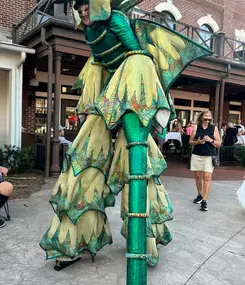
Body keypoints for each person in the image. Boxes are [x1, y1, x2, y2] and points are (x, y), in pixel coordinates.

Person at [39, 0, 212, 272]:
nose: (83, 11)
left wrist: (128, 104)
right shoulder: (89, 31)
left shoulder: (117, 20)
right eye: (79, 8)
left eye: (87, 6)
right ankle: (73, 243)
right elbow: (99, 62)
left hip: (129, 93)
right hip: (106, 98)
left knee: (139, 169)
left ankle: (144, 241)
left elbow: (136, 55)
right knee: (83, 163)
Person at [189, 111, 221, 211]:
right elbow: (190, 142)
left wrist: (210, 140)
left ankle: (204, 200)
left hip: (209, 155)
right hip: (197, 154)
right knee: (198, 176)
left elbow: (219, 143)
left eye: (209, 117)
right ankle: (199, 195)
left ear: (211, 118)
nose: (207, 118)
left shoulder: (213, 128)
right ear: (202, 117)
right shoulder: (195, 127)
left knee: (207, 177)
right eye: (205, 117)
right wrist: (197, 142)